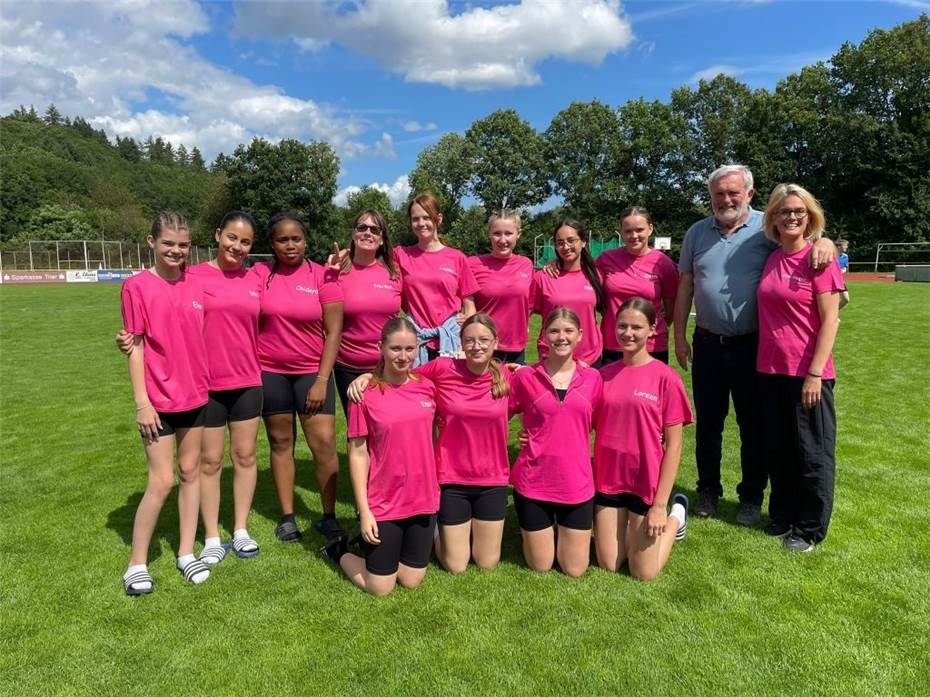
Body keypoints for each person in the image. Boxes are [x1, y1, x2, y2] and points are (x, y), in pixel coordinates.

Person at [674, 164, 835, 526]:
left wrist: (824, 240)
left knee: (754, 427)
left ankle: (750, 497)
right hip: (708, 345)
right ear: (711, 197)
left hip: (754, 347)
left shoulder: (768, 226)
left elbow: (804, 238)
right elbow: (685, 285)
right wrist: (679, 336)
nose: (726, 199)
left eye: (733, 193)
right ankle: (708, 491)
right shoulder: (697, 232)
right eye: (719, 194)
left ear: (749, 193)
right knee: (709, 424)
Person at [116, 212, 265, 564]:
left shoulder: (256, 276)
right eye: (232, 237)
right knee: (207, 463)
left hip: (244, 381)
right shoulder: (194, 275)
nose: (238, 246)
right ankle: (211, 536)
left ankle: (239, 530)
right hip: (206, 386)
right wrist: (127, 341)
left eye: (245, 241)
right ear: (217, 235)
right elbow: (148, 325)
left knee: (243, 457)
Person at [346, 314, 513, 573]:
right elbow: (401, 376)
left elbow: (544, 401)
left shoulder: (508, 377)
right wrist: (367, 376)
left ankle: (432, 534)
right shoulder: (442, 370)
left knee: (487, 563)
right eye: (469, 340)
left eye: (483, 340)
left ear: (496, 342)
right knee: (455, 566)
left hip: (492, 479)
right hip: (451, 477)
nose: (476, 346)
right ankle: (436, 536)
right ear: (460, 342)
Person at [120, 211, 210, 595]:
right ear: (151, 242)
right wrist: (143, 403)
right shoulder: (136, 287)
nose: (176, 251)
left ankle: (187, 553)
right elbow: (135, 345)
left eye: (183, 244)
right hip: (158, 400)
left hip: (196, 395)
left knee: (191, 473)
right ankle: (136, 563)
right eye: (168, 243)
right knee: (162, 481)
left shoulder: (197, 282)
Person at [322, 318, 439, 596]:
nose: (403, 356)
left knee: (410, 579)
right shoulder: (364, 395)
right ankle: (339, 550)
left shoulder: (428, 386)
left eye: (410, 349)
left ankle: (387, 551)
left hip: (423, 499)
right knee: (380, 587)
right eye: (395, 348)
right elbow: (359, 454)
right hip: (384, 501)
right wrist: (365, 511)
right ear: (380, 347)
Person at [757, 184, 843, 552]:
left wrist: (814, 372)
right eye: (784, 211)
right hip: (770, 370)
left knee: (812, 453)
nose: (791, 217)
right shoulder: (773, 257)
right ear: (773, 218)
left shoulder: (819, 260)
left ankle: (808, 529)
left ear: (810, 217)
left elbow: (832, 320)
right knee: (779, 450)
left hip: (808, 373)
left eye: (799, 212)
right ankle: (783, 515)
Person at [254, 214, 345, 544]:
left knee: (323, 445)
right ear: (272, 244)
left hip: (312, 373)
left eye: (296, 239)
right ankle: (288, 517)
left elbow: (333, 332)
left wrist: (322, 380)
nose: (290, 245)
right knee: (281, 444)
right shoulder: (260, 274)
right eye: (282, 240)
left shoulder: (324, 275)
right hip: (270, 372)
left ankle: (328, 515)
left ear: (306, 241)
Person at [593, 297, 693, 580]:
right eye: (622, 326)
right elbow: (577, 422)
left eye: (636, 327)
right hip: (608, 479)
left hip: (644, 483)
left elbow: (674, 446)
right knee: (610, 564)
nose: (627, 333)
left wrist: (659, 506)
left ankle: (677, 516)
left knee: (643, 572)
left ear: (652, 329)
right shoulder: (602, 376)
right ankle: (628, 531)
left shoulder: (666, 378)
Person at [509, 308, 602, 577]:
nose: (561, 337)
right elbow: (496, 413)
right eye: (554, 331)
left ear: (580, 335)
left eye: (568, 331)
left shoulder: (594, 379)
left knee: (574, 569)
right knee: (541, 566)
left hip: (576, 484)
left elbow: (608, 423)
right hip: (534, 483)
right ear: (544, 336)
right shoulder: (526, 377)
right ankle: (546, 530)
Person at [329, 209, 403, 418]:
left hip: (387, 364)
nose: (367, 233)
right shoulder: (337, 271)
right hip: (347, 366)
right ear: (354, 234)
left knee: (387, 425)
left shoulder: (394, 272)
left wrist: (458, 315)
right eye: (362, 228)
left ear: (381, 239)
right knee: (358, 430)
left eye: (374, 229)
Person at [394, 192, 479, 363]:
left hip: (451, 340)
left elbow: (469, 306)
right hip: (416, 341)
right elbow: (370, 258)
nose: (421, 223)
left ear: (438, 219)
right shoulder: (400, 255)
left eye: (427, 217)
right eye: (415, 219)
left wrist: (466, 331)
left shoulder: (457, 258)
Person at [597, 207, 678, 365]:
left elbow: (670, 309)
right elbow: (580, 275)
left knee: (649, 390)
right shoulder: (606, 259)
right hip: (614, 344)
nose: (634, 236)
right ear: (621, 231)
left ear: (650, 229)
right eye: (628, 231)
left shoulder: (663, 263)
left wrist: (648, 328)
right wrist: (556, 262)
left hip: (651, 346)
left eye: (639, 230)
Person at [532, 219, 605, 367]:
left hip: (590, 358)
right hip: (553, 356)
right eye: (560, 242)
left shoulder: (596, 276)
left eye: (571, 240)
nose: (566, 247)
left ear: (583, 242)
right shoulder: (543, 277)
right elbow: (523, 313)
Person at [467, 210, 534, 363]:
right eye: (497, 233)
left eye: (508, 233)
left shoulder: (526, 265)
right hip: (483, 346)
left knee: (513, 387)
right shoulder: (472, 264)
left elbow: (529, 304)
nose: (503, 240)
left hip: (516, 348)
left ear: (518, 234)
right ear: (489, 234)